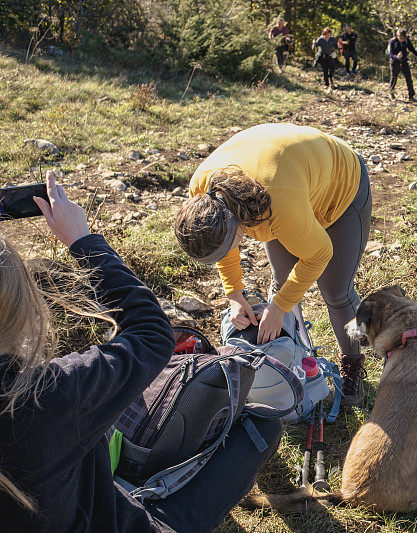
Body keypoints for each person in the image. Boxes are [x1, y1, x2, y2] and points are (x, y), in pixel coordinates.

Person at [0, 171, 282, 532]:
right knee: (264, 424)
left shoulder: (58, 393)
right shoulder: (51, 394)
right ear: (19, 308)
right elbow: (151, 332)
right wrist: (83, 241)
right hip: (115, 521)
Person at [174, 124, 372, 408]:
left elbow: (319, 254)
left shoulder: (277, 205)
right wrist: (234, 294)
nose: (228, 252)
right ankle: (290, 359)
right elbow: (224, 247)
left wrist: (278, 308)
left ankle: (352, 364)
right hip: (288, 175)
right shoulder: (202, 192)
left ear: (239, 225)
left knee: (335, 291)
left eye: (230, 244)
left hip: (340, 183)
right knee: (281, 284)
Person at [388, 28, 417, 102]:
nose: (403, 39)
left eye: (404, 38)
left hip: (404, 61)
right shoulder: (393, 41)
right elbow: (390, 54)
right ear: (397, 36)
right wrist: (397, 56)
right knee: (394, 78)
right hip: (394, 62)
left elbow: (411, 49)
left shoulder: (407, 40)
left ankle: (411, 96)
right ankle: (391, 94)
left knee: (409, 79)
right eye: (401, 38)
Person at [313, 27, 339, 92]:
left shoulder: (332, 39)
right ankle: (326, 84)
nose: (328, 35)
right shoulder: (321, 39)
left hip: (331, 56)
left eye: (329, 34)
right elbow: (314, 46)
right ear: (324, 34)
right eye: (327, 34)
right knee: (325, 70)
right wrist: (314, 43)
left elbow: (337, 47)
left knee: (332, 69)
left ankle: (331, 78)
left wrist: (338, 47)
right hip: (323, 57)